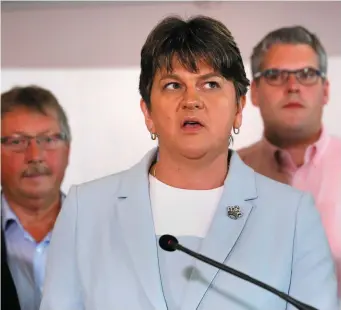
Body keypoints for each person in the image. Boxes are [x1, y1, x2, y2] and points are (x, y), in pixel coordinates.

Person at [40, 16, 338, 310]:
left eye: (210, 84)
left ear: (239, 107)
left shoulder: (293, 214)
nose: (191, 100)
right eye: (172, 85)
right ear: (147, 111)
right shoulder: (86, 209)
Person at [238, 26, 341, 296]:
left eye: (307, 74)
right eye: (275, 75)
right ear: (255, 93)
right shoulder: (225, 174)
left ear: (326, 90)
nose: (293, 87)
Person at [1, 85, 71, 310]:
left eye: (48, 140)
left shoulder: (103, 228)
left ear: (67, 150)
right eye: (16, 141)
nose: (35, 156)